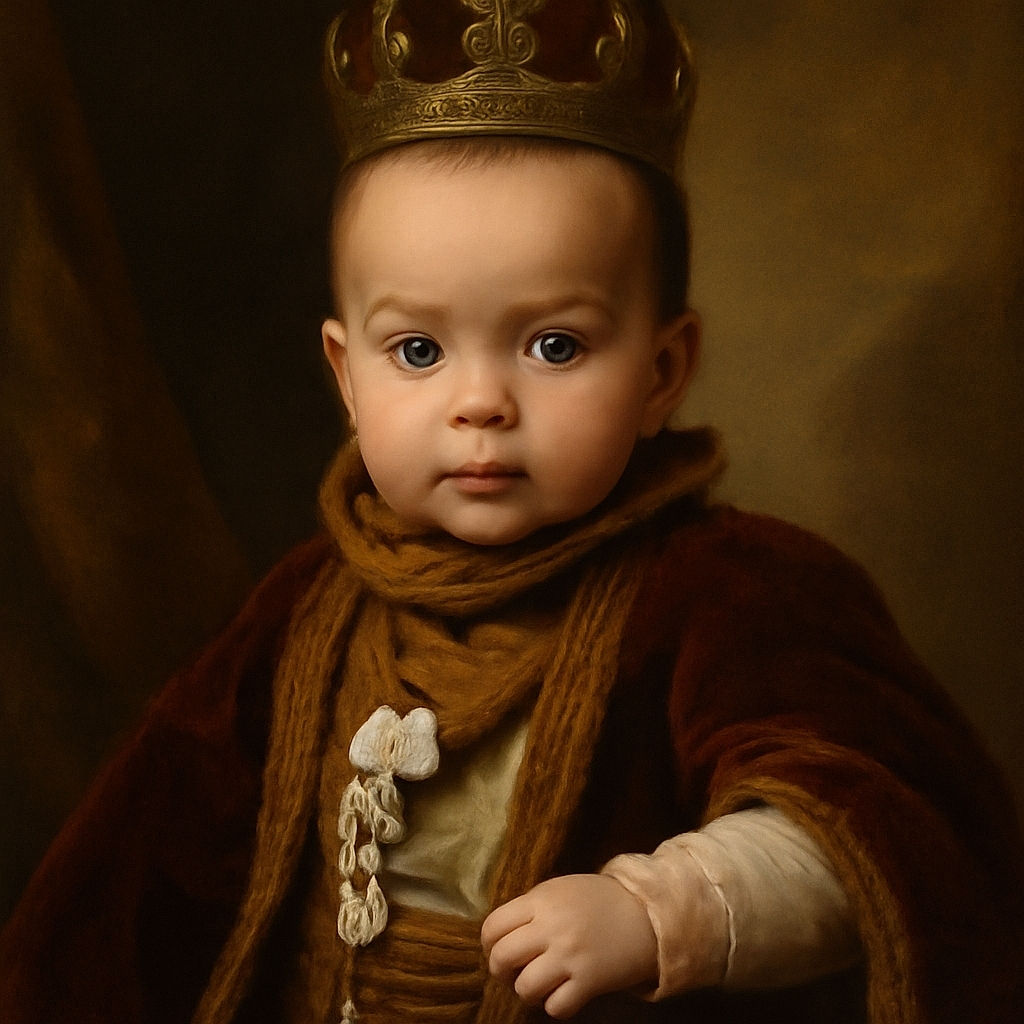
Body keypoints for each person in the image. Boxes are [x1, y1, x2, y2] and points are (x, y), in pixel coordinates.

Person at [2, 1, 1022, 1022]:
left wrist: (660, 910)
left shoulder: (726, 593)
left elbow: (864, 818)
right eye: (416, 351)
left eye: (554, 346)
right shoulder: (310, 609)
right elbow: (137, 867)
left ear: (663, 370)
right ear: (345, 376)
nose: (480, 401)